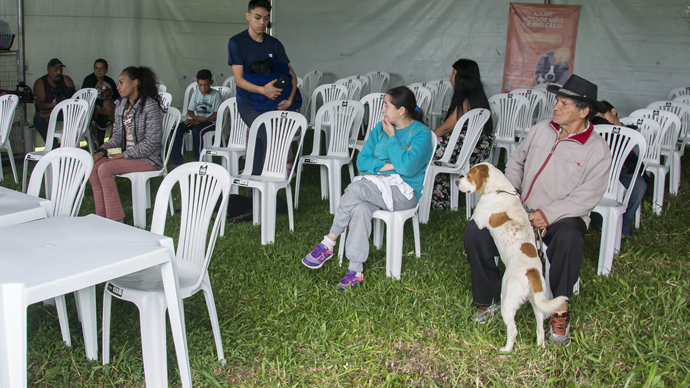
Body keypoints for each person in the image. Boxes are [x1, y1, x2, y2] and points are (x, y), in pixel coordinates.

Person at [464, 75, 612, 344]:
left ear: (584, 111)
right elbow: (516, 162)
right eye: (557, 101)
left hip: (563, 216)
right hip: (522, 209)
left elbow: (588, 195)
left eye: (564, 104)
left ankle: (559, 310)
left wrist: (549, 214)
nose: (556, 107)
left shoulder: (597, 150)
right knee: (476, 231)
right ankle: (490, 299)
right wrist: (513, 193)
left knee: (570, 238)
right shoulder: (542, 129)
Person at [301, 87, 433, 290]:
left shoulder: (421, 134)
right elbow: (362, 162)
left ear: (401, 110)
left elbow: (408, 168)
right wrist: (392, 166)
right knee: (360, 208)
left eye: (387, 105)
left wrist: (393, 140)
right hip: (374, 185)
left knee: (355, 190)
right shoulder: (379, 129)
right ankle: (355, 271)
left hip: (404, 192)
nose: (382, 110)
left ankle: (328, 243)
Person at [227, 0, 299, 175]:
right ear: (248, 16)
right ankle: (273, 179)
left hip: (272, 102)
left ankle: (257, 192)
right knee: (269, 135)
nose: (262, 23)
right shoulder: (237, 42)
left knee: (259, 144)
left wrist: (289, 100)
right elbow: (238, 79)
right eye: (257, 18)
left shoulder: (274, 44)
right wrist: (262, 90)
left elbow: (292, 75)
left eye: (266, 19)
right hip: (248, 104)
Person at [89, 66, 164, 222]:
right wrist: (102, 151)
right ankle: (100, 217)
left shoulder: (149, 106)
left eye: (122, 82)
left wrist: (123, 155)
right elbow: (116, 137)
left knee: (104, 169)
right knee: (93, 166)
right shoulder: (122, 105)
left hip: (148, 158)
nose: (118, 87)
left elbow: (153, 142)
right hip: (126, 155)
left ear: (135, 83)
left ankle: (115, 219)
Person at [430, 59, 494, 209]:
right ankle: (441, 197)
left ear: (462, 78)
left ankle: (422, 194)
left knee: (424, 149)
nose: (450, 76)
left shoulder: (465, 101)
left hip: (464, 151)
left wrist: (425, 138)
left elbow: (446, 128)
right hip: (477, 150)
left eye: (454, 73)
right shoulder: (479, 98)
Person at [589, 101, 648, 237]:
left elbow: (639, 156)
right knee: (600, 185)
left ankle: (624, 226)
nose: (601, 118)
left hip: (625, 169)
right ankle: (600, 223)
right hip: (602, 168)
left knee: (639, 186)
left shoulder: (632, 130)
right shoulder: (597, 129)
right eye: (597, 116)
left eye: (603, 114)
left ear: (613, 111)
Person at [170, 69, 223, 168]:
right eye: (200, 85)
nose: (203, 88)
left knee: (196, 131)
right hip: (198, 120)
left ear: (211, 82)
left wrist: (202, 120)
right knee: (178, 128)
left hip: (211, 122)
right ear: (197, 83)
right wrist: (195, 118)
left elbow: (217, 115)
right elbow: (190, 110)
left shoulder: (216, 95)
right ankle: (177, 161)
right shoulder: (196, 93)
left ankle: (199, 161)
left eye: (206, 85)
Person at [33, 58, 76, 148]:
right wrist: (56, 104)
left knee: (77, 116)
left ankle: (70, 145)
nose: (59, 73)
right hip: (47, 113)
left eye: (61, 70)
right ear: (48, 70)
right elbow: (40, 105)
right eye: (55, 70)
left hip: (65, 112)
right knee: (38, 120)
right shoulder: (40, 83)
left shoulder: (66, 80)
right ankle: (54, 147)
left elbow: (74, 99)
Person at [82, 58, 120, 147]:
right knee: (102, 116)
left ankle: (112, 143)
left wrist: (112, 102)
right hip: (92, 108)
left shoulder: (109, 81)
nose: (98, 71)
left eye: (101, 68)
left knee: (120, 117)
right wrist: (102, 103)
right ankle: (99, 144)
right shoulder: (89, 80)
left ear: (106, 70)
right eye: (96, 68)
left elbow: (117, 96)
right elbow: (86, 97)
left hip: (109, 107)